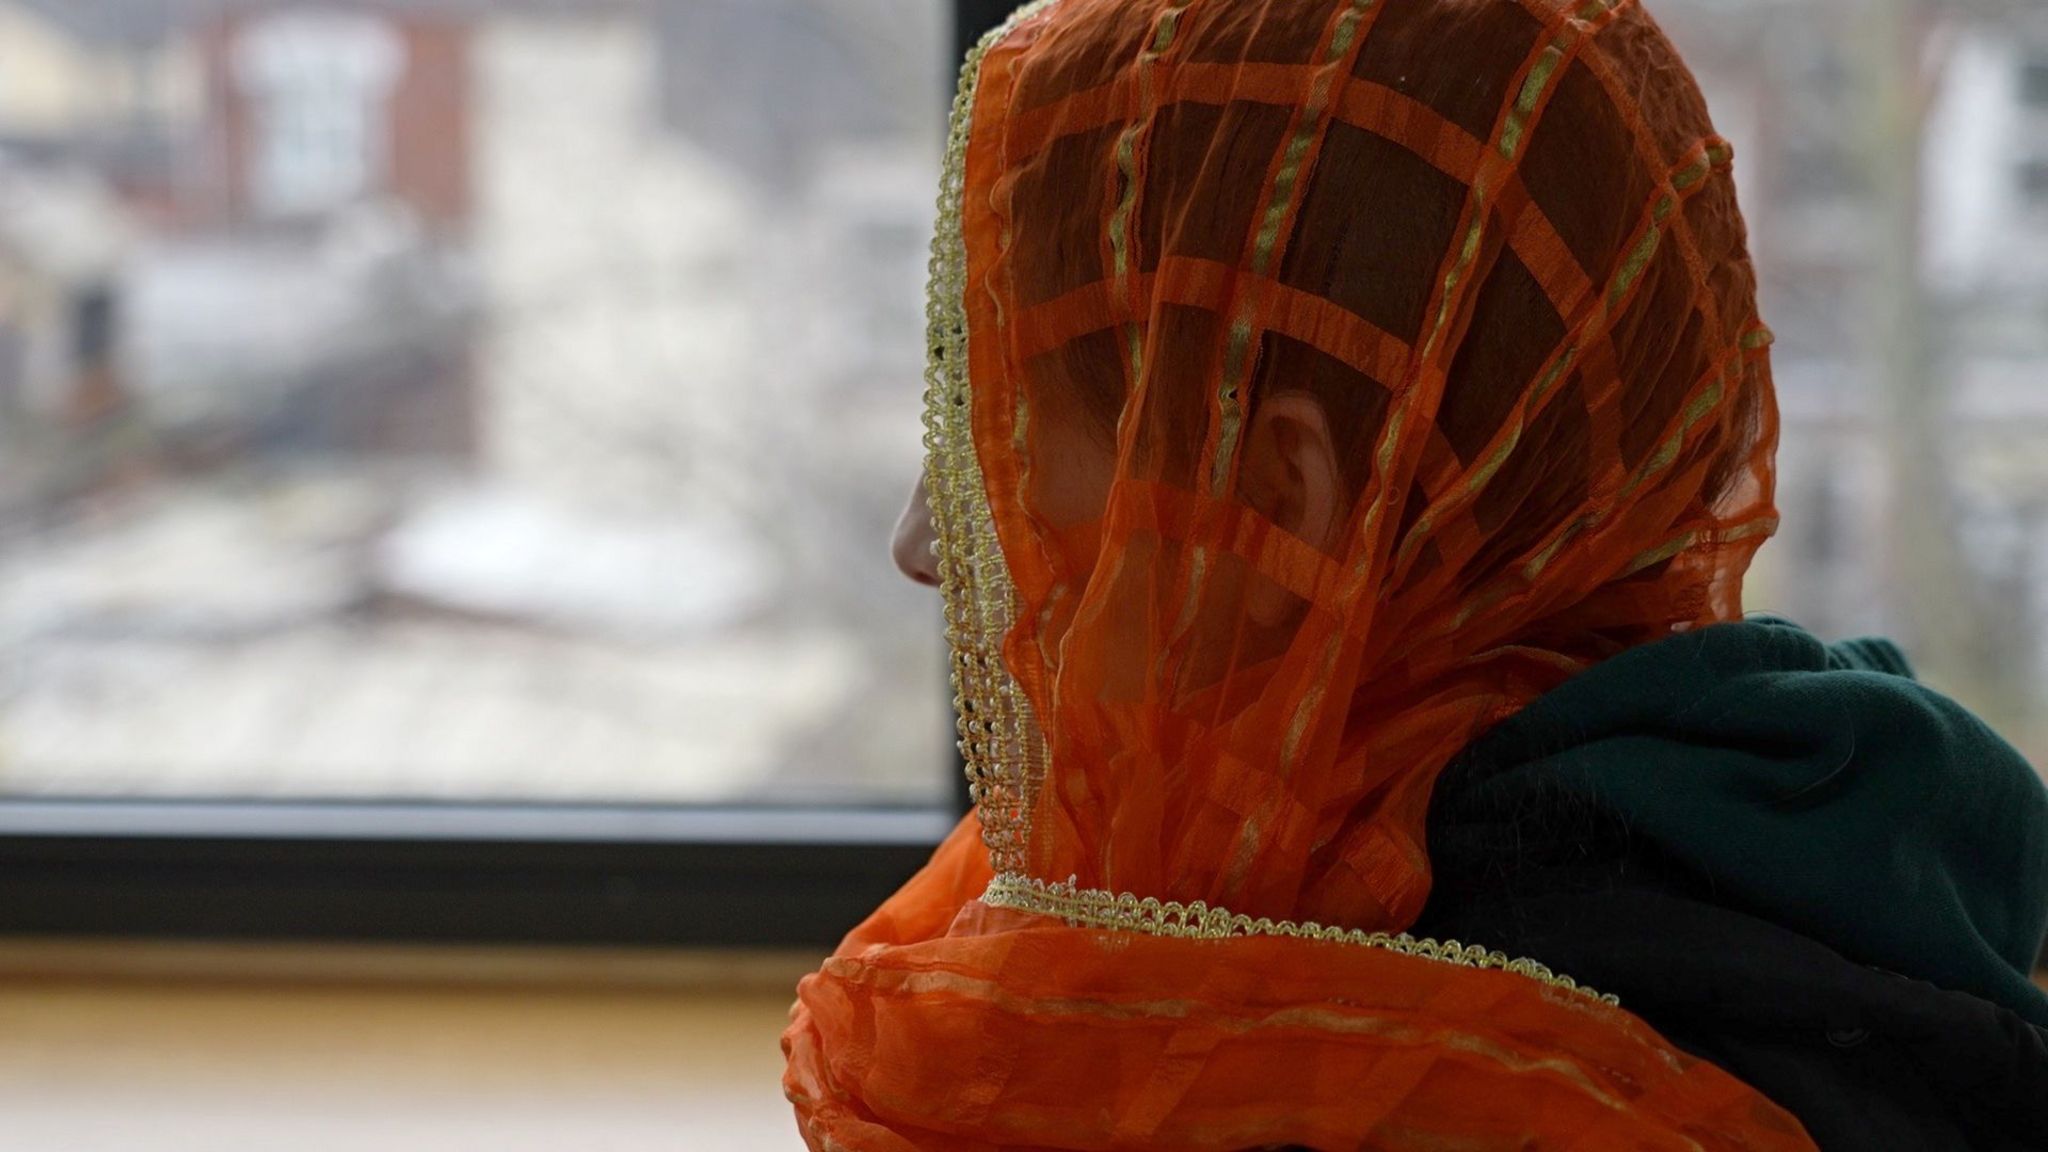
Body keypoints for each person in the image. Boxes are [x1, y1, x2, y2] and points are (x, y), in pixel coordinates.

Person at [786, 0, 2048, 1147]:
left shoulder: (1361, 1066)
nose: (920, 548)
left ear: (1270, 498)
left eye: (987, 455)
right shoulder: (1797, 829)